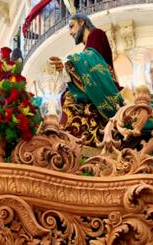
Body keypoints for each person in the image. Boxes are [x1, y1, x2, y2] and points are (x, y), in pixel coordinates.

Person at [51, 13, 124, 146]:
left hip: (104, 86)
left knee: (69, 98)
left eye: (72, 27)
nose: (70, 33)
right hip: (96, 86)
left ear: (82, 22)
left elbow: (94, 61)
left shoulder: (97, 34)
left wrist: (67, 63)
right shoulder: (86, 48)